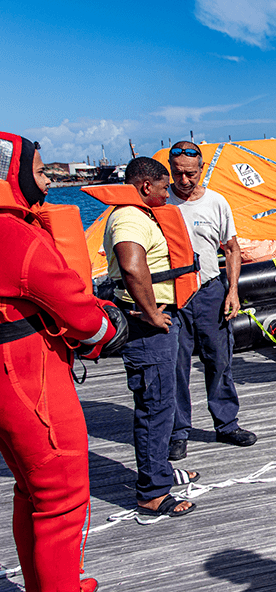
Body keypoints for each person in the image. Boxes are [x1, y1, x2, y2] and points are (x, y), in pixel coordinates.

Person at [0, 133, 125, 592]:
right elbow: (78, 312)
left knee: (31, 491)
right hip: (29, 379)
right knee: (62, 500)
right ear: (11, 174)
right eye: (37, 173)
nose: (47, 182)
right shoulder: (14, 234)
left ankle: (43, 584)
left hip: (8, 380)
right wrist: (112, 329)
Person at [98, 156, 201, 517]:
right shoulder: (128, 216)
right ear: (146, 186)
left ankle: (159, 471)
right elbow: (130, 264)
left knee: (164, 402)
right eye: (162, 186)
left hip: (158, 322)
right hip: (146, 327)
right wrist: (153, 312)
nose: (166, 191)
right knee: (154, 407)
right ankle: (152, 493)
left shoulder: (144, 214)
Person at [165, 141, 256, 462]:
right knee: (175, 366)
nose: (184, 180)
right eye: (178, 174)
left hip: (209, 291)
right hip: (172, 296)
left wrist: (232, 292)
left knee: (219, 359)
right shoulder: (161, 204)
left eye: (191, 174)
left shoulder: (216, 203)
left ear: (201, 169)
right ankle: (178, 432)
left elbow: (231, 249)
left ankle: (227, 423)